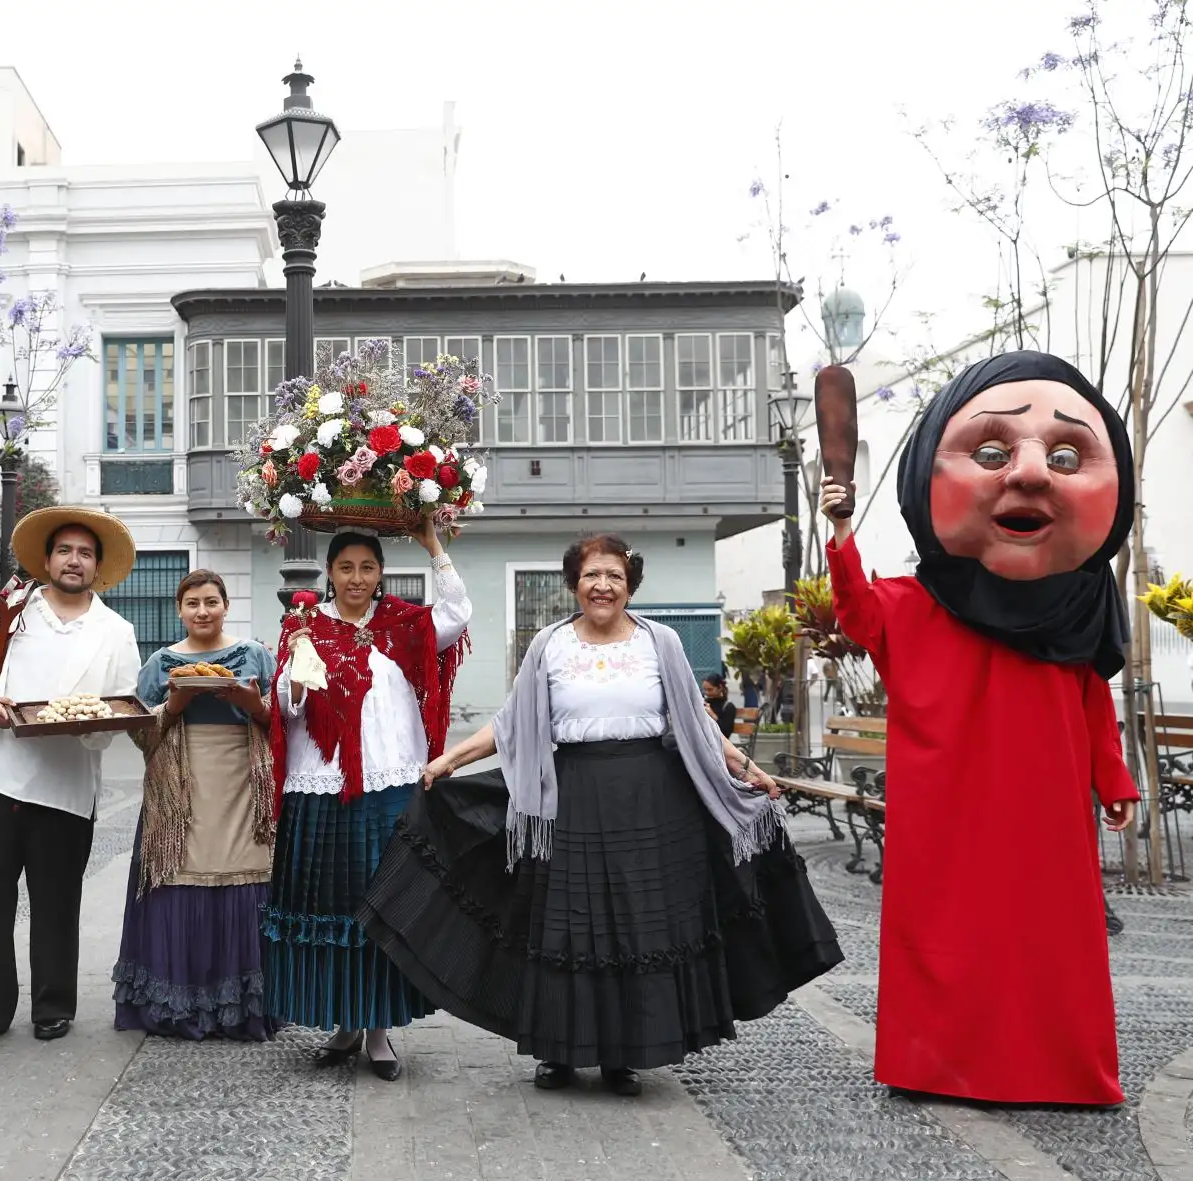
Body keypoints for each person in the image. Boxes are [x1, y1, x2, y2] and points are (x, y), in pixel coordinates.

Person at [359, 533, 843, 1094]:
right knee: (568, 927)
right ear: (575, 584)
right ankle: (559, 1054)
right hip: (568, 799)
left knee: (635, 928)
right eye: (592, 575)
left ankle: (623, 1055)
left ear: (630, 584)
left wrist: (742, 768)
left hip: (652, 802)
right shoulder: (549, 645)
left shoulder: (661, 644)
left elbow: (696, 723)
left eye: (614, 575)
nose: (603, 586)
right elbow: (512, 723)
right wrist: (449, 760)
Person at [819, 349, 1137, 1106]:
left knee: (1050, 941)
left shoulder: (1076, 607)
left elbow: (1092, 697)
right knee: (948, 939)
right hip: (947, 804)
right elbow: (857, 611)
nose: (1028, 474)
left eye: (1065, 453)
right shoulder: (915, 603)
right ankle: (938, 1065)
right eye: (992, 451)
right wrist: (839, 530)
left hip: (1048, 808)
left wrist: (1112, 777)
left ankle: (1056, 1073)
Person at [266, 520, 468, 1082]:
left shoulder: (404, 625)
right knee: (329, 908)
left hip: (387, 785)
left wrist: (434, 547)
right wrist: (298, 682)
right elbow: (284, 706)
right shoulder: (304, 625)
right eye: (345, 567)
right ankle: (343, 1025)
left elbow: (456, 615)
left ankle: (377, 1031)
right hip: (321, 785)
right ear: (329, 573)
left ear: (381, 574)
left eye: (368, 567)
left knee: (381, 909)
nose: (357, 578)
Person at [0, 507, 142, 1046]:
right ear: (48, 559)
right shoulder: (11, 612)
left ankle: (53, 1006)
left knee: (57, 900)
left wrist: (88, 726)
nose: (74, 561)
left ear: (97, 566)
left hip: (68, 782)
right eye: (65, 551)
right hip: (3, 775)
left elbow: (120, 703)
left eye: (85, 553)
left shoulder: (115, 631)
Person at [113, 570, 278, 1040]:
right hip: (179, 792)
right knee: (177, 879)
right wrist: (176, 704)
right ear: (179, 610)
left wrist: (254, 706)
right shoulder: (161, 664)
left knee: (245, 878)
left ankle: (243, 1008)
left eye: (211, 601)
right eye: (192, 603)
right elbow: (140, 734)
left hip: (243, 787)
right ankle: (179, 1006)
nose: (202, 611)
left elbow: (284, 726)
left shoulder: (256, 657)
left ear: (226, 605)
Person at [703, 672, 738, 739]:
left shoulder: (728, 707)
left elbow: (726, 733)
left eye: (710, 689)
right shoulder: (705, 703)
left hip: (720, 743)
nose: (706, 693)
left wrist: (712, 715)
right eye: (705, 689)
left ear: (720, 688)